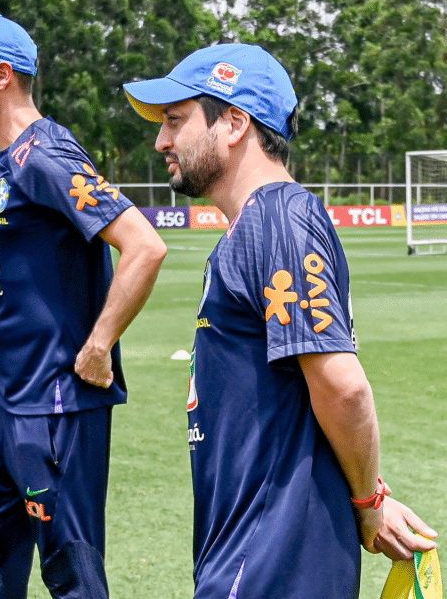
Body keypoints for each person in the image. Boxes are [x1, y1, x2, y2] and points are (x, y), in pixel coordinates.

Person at [123, 43, 439, 597]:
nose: (161, 140)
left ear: (236, 122)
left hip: (272, 559)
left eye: (176, 120)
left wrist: (369, 502)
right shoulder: (254, 228)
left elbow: (343, 389)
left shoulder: (279, 221)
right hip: (252, 551)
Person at [0, 15, 167, 599]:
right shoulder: (9, 159)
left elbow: (144, 246)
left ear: (1, 77)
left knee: (71, 572)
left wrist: (99, 345)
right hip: (8, 397)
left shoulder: (45, 155)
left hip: (56, 403)